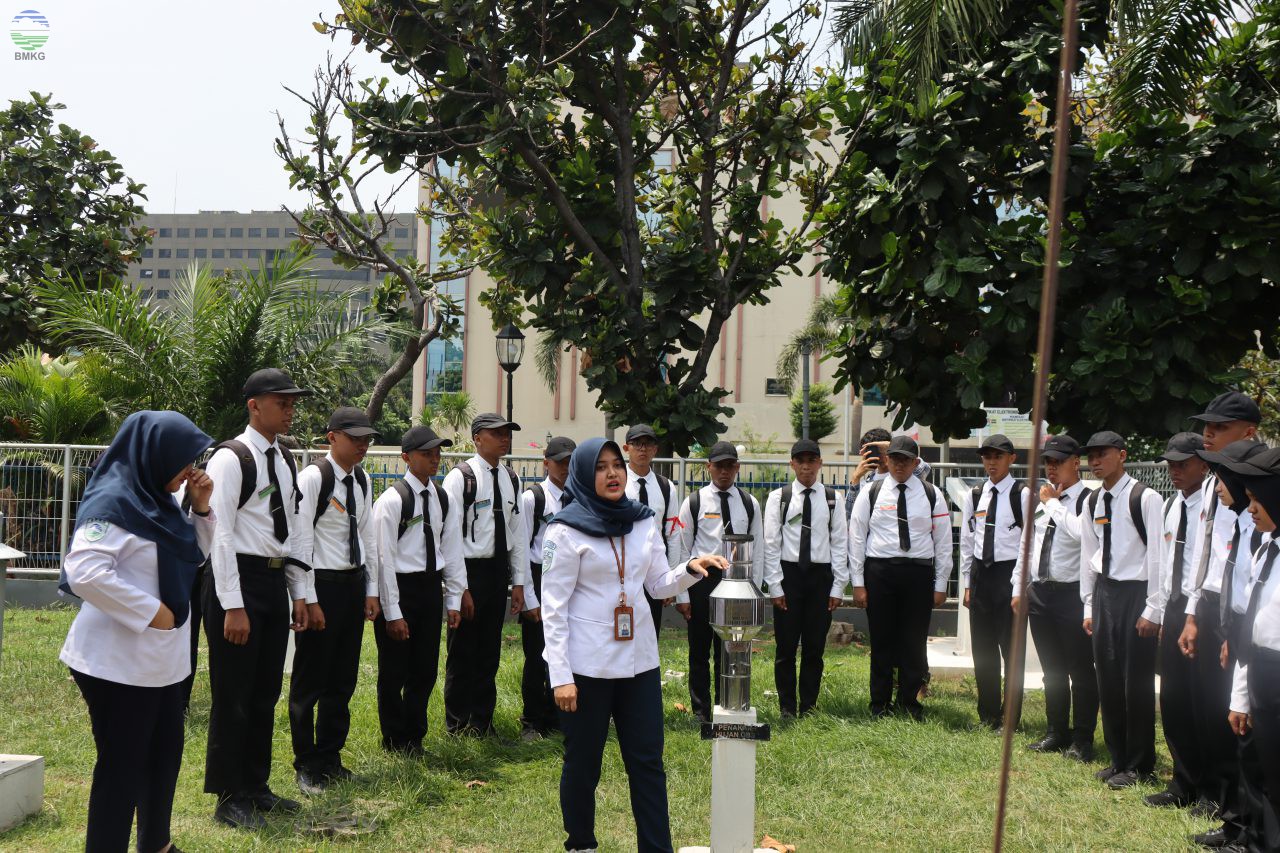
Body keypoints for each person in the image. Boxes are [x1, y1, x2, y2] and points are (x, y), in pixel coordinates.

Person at [541, 437, 720, 853]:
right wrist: (561, 677)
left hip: (640, 663)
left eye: (616, 465)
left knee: (647, 763)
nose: (612, 473)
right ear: (586, 475)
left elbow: (657, 585)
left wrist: (690, 569)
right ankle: (581, 844)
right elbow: (554, 609)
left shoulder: (642, 520)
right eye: (601, 467)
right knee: (584, 764)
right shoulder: (565, 529)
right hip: (587, 669)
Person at [60, 411, 214, 853]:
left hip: (160, 661)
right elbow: (84, 571)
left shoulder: (158, 500)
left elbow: (191, 560)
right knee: (122, 768)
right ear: (154, 455)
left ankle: (156, 845)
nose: (191, 468)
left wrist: (200, 509)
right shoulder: (113, 501)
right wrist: (153, 613)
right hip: (117, 662)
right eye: (184, 459)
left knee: (164, 756)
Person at [202, 368, 313, 828]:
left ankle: (255, 785)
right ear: (254, 405)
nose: (289, 410)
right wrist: (232, 604)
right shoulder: (231, 458)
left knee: (266, 691)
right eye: (281, 402)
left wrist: (301, 592)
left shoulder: (285, 459)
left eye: (292, 403)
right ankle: (229, 796)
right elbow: (219, 534)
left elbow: (294, 529)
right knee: (234, 694)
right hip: (238, 579)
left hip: (271, 581)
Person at [1177, 391, 1265, 850]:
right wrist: (1194, 613)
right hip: (1213, 604)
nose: (1207, 434)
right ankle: (1226, 809)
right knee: (1217, 711)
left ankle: (1244, 819)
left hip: (1245, 613)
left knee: (1241, 719)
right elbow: (1206, 557)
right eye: (1206, 426)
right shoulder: (1214, 481)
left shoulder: (1261, 482)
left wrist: (1238, 629)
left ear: (1248, 431)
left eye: (1218, 427)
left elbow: (1255, 566)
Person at [287, 407, 382, 792]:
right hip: (321, 584)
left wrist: (371, 589)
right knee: (310, 679)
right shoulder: (314, 477)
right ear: (332, 437)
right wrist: (307, 597)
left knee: (342, 678)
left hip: (351, 584)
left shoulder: (362, 479)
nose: (362, 445)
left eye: (366, 439)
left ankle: (330, 756)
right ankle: (306, 763)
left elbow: (367, 536)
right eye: (354, 438)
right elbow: (300, 539)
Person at [1078, 431, 1165, 789]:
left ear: (1122, 455)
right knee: (1108, 679)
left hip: (1137, 593)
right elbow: (1088, 554)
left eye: (1103, 454)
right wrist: (1088, 605)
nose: (1095, 461)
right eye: (1091, 455)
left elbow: (1159, 555)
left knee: (1136, 684)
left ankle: (1140, 763)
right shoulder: (1092, 501)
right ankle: (1117, 759)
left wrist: (1154, 607)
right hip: (1105, 593)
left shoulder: (1145, 498)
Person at [373, 425, 467, 755]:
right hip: (399, 587)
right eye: (426, 453)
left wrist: (454, 597)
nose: (434, 459)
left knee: (425, 669)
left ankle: (415, 737)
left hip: (429, 588)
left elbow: (452, 550)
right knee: (394, 670)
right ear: (406, 458)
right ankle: (394, 739)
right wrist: (393, 612)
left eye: (437, 453)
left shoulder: (443, 498)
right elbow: (383, 559)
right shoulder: (392, 500)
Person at [847, 435, 951, 720]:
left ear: (916, 462)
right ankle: (879, 704)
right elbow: (856, 537)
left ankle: (909, 703)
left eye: (906, 459)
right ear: (887, 460)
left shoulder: (931, 494)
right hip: (880, 572)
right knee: (881, 640)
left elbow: (943, 541)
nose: (899, 465)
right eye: (894, 458)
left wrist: (941, 583)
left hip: (918, 572)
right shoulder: (872, 491)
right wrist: (858, 582)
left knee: (913, 641)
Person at [441, 413, 532, 736]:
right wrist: (458, 587)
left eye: (508, 432)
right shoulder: (460, 477)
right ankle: (458, 721)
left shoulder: (511, 478)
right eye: (497, 433)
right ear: (478, 437)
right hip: (469, 570)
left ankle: (483, 719)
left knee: (489, 650)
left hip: (496, 572)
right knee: (463, 649)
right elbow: (449, 535)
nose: (505, 438)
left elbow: (517, 533)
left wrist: (518, 581)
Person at [1011, 433, 1097, 759]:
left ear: (1076, 463)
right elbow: (1028, 544)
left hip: (1073, 593)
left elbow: (1079, 533)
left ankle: (1083, 738)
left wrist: (1052, 504)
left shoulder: (1088, 499)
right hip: (1042, 592)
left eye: (1058, 462)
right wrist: (1020, 585)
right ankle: (1056, 731)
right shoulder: (1042, 500)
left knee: (1080, 669)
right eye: (1048, 462)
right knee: (1052, 669)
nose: (1052, 468)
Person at [1142, 433, 1211, 810]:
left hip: (1199, 609)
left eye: (1183, 464)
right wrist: (1163, 612)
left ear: (1203, 463)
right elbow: (1166, 564)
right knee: (1173, 699)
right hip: (1174, 606)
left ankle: (1213, 788)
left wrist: (1191, 615)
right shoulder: (1173, 505)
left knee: (1204, 701)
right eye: (1171, 464)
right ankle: (1182, 782)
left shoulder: (1213, 505)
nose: (1175, 470)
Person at [675, 441, 764, 723]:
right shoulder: (694, 502)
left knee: (731, 647)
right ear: (708, 467)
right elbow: (682, 548)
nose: (724, 471)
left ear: (737, 468)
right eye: (719, 466)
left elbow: (758, 549)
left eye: (730, 466)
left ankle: (727, 703)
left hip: (737, 580)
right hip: (702, 580)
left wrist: (755, 593)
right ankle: (701, 711)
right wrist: (682, 595)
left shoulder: (749, 503)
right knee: (699, 649)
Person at [762, 438, 848, 718]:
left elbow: (840, 543)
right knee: (786, 648)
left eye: (812, 460)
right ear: (792, 464)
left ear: (820, 463)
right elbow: (771, 544)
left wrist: (837, 586)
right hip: (789, 576)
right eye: (801, 460)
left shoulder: (833, 499)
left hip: (820, 578)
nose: (806, 466)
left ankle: (809, 705)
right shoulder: (779, 498)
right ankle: (787, 707)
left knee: (815, 647)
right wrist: (775, 585)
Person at [1225, 448, 1280, 853]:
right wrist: (1240, 697)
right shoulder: (1265, 550)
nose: (1252, 510)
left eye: (1259, 500)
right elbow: (1250, 631)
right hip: (1260, 672)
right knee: (1262, 769)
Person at [959, 433, 1033, 728]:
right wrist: (967, 582)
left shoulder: (1023, 495)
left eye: (998, 456)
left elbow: (1030, 542)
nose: (991, 462)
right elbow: (967, 540)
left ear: (1011, 459)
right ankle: (988, 714)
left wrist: (1019, 586)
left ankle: (1010, 717)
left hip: (1009, 576)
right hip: (981, 575)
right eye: (987, 456)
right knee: (983, 650)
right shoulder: (975, 494)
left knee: (1011, 651)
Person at [519, 435, 576, 740]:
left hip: (569, 578)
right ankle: (532, 720)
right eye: (560, 462)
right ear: (546, 463)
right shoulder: (534, 498)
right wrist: (529, 597)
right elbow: (522, 547)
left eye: (571, 462)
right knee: (536, 653)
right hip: (540, 576)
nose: (566, 467)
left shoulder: (580, 497)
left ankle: (559, 716)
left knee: (564, 650)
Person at [623, 424, 681, 637]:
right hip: (623, 568)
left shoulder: (665, 487)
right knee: (622, 629)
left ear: (656, 449)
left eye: (648, 444)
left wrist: (670, 579)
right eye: (636, 443)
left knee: (650, 631)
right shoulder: (617, 482)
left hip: (652, 569)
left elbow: (672, 534)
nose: (642, 449)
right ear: (626, 448)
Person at [843, 428, 932, 517]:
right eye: (873, 451)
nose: (879, 455)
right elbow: (851, 514)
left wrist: (894, 447)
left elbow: (924, 469)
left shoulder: (904, 475)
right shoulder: (865, 486)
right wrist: (855, 479)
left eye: (882, 450)